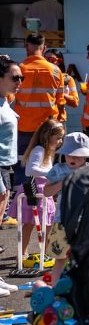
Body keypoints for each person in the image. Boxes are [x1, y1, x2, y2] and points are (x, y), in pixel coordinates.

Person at [44, 132, 89, 283]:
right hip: (63, 220)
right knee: (60, 257)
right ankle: (55, 286)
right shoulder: (58, 169)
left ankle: (85, 287)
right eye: (68, 155)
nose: (72, 158)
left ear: (85, 156)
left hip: (87, 220)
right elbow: (46, 192)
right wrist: (64, 182)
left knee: (87, 256)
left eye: (77, 155)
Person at [14, 33, 65, 183]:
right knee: (46, 164)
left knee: (22, 164)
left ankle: (22, 199)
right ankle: (46, 197)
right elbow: (60, 101)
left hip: (24, 126)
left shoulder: (19, 70)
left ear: (26, 47)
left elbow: (9, 98)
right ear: (44, 48)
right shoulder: (55, 70)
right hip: (47, 128)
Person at [17, 118, 65, 259]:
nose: (60, 141)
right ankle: (21, 253)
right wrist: (53, 174)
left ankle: (46, 252)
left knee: (47, 223)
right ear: (48, 136)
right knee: (29, 224)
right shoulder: (39, 149)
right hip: (34, 189)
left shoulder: (49, 151)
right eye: (58, 138)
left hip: (44, 190)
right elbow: (30, 170)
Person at [0, 56, 23, 240]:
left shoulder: (5, 99)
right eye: (15, 78)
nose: (19, 82)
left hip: (6, 165)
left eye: (21, 78)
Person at [44, 49, 79, 124]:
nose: (47, 62)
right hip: (41, 120)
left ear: (59, 61)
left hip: (59, 120)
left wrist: (61, 94)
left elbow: (75, 102)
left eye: (51, 59)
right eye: (45, 59)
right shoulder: (40, 77)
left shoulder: (67, 78)